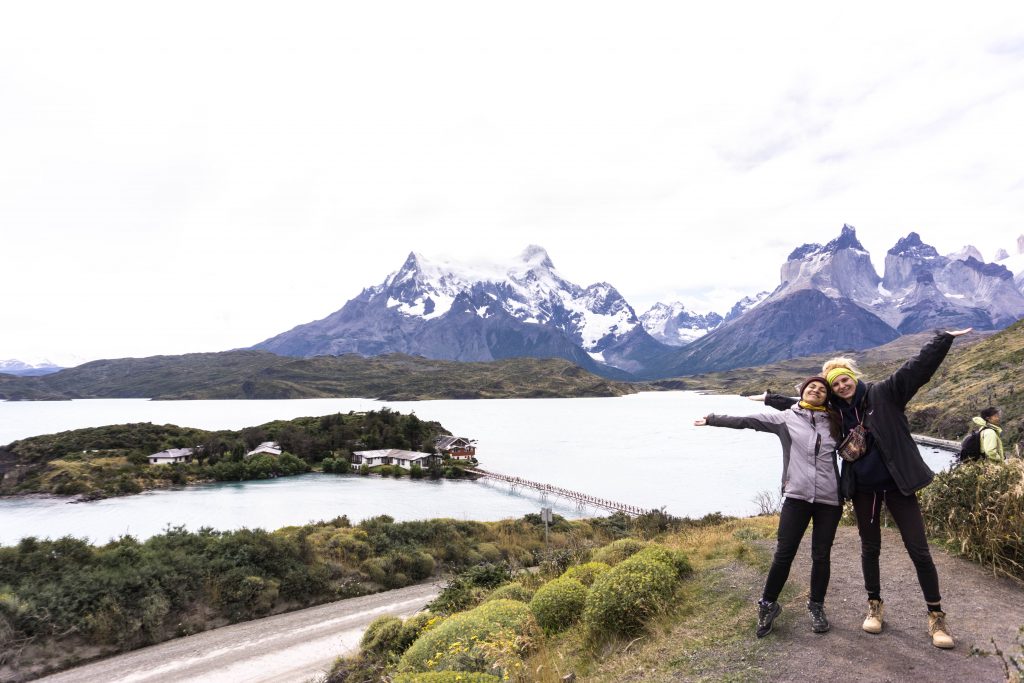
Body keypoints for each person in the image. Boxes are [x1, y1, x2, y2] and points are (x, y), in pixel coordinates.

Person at [753, 328, 971, 649]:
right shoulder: (835, 411)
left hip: (899, 487)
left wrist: (943, 339)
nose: (841, 385)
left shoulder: (886, 393)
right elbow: (799, 402)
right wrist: (769, 398)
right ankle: (875, 605)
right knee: (870, 549)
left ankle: (936, 616)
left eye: (844, 379)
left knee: (919, 551)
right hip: (864, 491)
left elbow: (917, 368)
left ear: (853, 376)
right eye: (834, 384)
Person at [695, 376, 842, 638]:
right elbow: (748, 421)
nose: (816, 391)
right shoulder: (786, 418)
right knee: (784, 554)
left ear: (826, 397)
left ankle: (816, 606)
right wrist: (713, 419)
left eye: (822, 390)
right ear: (803, 392)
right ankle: (767, 605)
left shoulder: (835, 420)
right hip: (796, 496)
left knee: (821, 556)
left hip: (829, 500)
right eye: (812, 387)